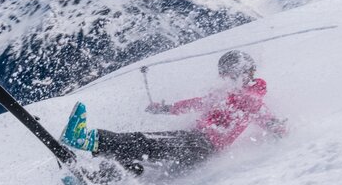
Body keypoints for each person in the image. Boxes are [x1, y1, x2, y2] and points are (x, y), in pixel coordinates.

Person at [60, 50, 286, 175]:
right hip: (197, 143)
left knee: (146, 143)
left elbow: (263, 114)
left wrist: (277, 127)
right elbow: (196, 104)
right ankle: (113, 175)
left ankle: (88, 139)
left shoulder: (250, 97)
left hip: (203, 145)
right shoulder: (225, 93)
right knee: (150, 149)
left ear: (245, 73)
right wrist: (165, 108)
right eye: (224, 73)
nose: (225, 77)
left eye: (230, 73)